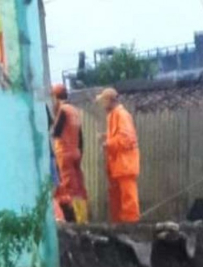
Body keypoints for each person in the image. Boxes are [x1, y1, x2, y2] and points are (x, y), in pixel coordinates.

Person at [96, 88, 141, 223]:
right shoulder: (114, 114)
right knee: (118, 200)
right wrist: (106, 136)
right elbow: (120, 135)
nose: (102, 105)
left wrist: (107, 143)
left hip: (125, 165)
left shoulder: (121, 115)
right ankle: (119, 228)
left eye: (103, 101)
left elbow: (127, 139)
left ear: (110, 100)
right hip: (118, 165)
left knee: (128, 200)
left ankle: (130, 228)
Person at [51, 84, 89, 223]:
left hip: (65, 154)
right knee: (79, 188)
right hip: (75, 153)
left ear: (55, 97)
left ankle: (77, 223)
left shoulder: (63, 110)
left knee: (69, 189)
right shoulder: (74, 111)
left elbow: (56, 132)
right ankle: (84, 220)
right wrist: (79, 153)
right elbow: (80, 137)